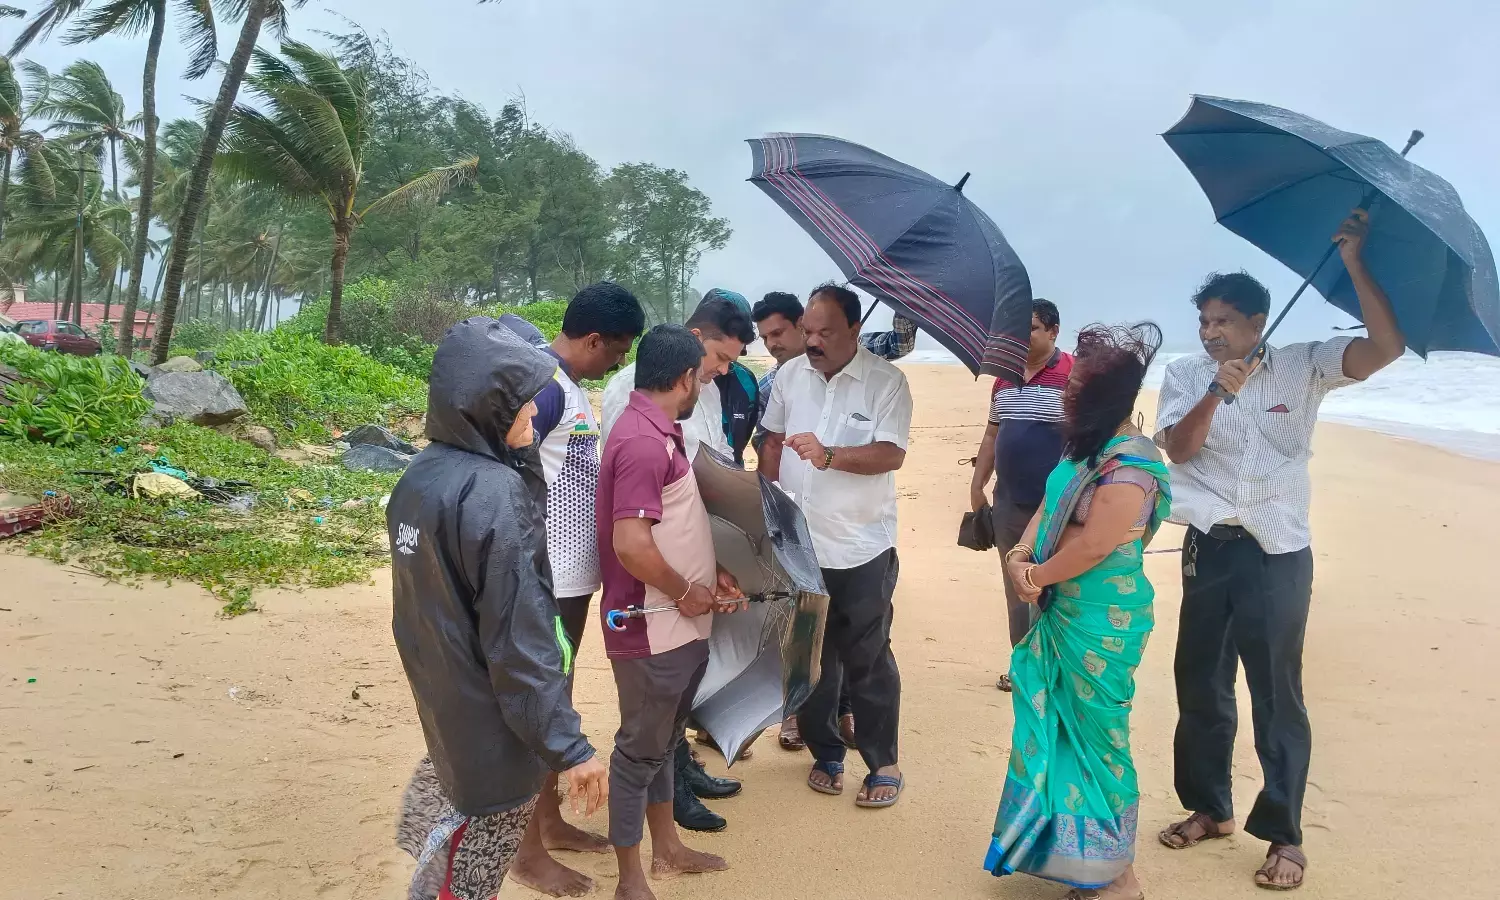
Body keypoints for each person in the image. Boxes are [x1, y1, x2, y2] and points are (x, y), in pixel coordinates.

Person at [1154, 210, 1404, 892]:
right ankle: (1211, 807)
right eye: (1204, 321)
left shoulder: (1306, 365)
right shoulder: (1185, 374)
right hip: (1209, 546)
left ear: (1258, 322)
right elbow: (1179, 450)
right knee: (1200, 681)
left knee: (1276, 691)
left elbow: (1386, 347)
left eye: (1224, 321)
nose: (1211, 332)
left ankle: (1285, 834)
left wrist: (1353, 262)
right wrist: (1217, 392)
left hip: (1278, 550)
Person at [389, 319, 609, 900]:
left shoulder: (421, 474)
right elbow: (520, 641)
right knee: (468, 873)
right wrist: (571, 749)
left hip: (447, 699)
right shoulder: (493, 494)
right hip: (490, 720)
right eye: (522, 405)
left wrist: (522, 459)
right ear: (486, 406)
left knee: (447, 847)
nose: (534, 414)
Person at [983, 322, 1172, 900]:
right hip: (1060, 605)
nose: (1066, 393)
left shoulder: (1131, 464)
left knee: (1099, 739)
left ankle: (1119, 877)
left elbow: (1095, 546)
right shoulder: (1083, 449)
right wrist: (1019, 557)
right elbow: (1048, 506)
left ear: (1107, 397)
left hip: (1101, 619)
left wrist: (1034, 577)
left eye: (1077, 388)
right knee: (1055, 728)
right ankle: (1077, 863)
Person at [597, 324, 747, 900]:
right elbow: (632, 545)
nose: (706, 383)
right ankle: (629, 879)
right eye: (704, 375)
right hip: (650, 625)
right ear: (685, 378)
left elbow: (675, 524)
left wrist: (713, 573)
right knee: (639, 750)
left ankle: (668, 850)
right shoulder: (641, 441)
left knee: (662, 742)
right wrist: (686, 590)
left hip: (678, 620)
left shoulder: (661, 431)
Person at [506, 283, 645, 897]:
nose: (617, 363)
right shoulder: (546, 388)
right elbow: (512, 472)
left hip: (571, 576)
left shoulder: (568, 385)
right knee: (541, 706)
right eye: (616, 352)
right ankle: (526, 851)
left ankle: (550, 821)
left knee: (555, 700)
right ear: (593, 340)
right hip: (549, 576)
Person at [759, 283, 913, 809]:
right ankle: (825, 753)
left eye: (825, 332)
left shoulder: (886, 382)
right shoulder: (789, 376)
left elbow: (891, 454)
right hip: (799, 546)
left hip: (861, 546)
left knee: (868, 657)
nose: (813, 341)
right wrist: (768, 509)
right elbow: (772, 441)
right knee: (809, 657)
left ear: (854, 329)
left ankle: (883, 762)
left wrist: (830, 457)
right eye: (808, 330)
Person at [967, 299, 1072, 692]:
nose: (1020, 337)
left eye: (1030, 329)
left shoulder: (1073, 376)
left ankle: (1059, 668)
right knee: (1017, 587)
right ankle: (1024, 665)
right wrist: (977, 485)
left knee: (1058, 587)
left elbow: (1087, 441)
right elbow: (992, 433)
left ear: (1053, 331)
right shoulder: (1003, 378)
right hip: (1009, 502)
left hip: (1059, 508)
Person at [601, 295, 753, 463]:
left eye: (730, 362)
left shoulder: (709, 387)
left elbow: (720, 446)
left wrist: (729, 474)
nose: (724, 370)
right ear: (696, 338)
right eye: (721, 357)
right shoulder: (628, 385)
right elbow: (624, 463)